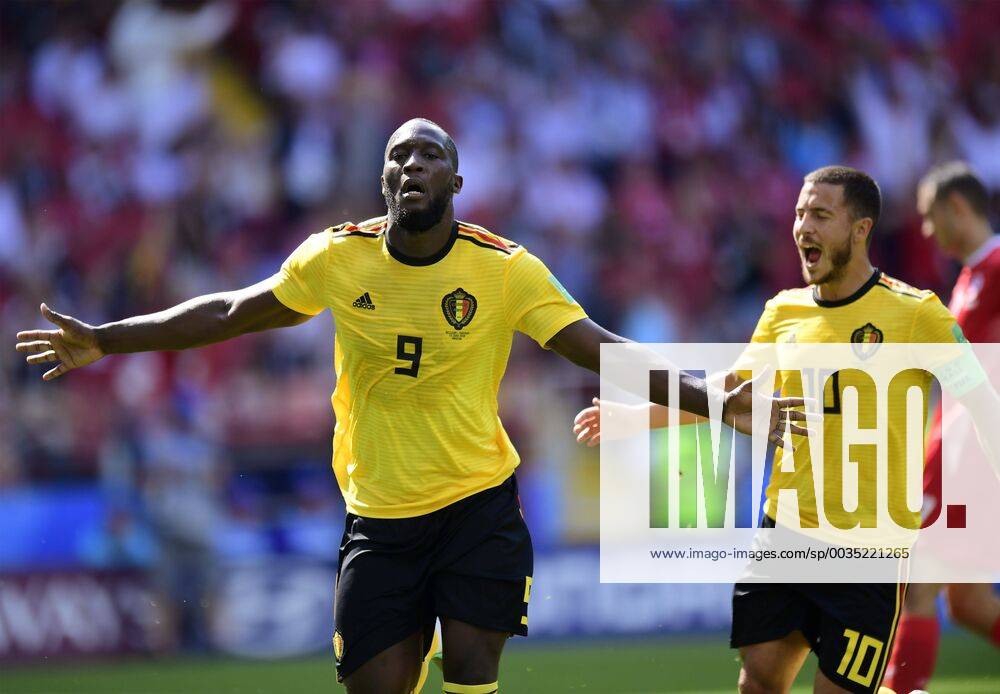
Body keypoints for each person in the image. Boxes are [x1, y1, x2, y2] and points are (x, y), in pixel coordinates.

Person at [15, 118, 801, 694]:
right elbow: (231, 311)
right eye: (398, 156)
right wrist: (107, 340)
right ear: (383, 180)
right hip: (379, 518)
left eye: (430, 155)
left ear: (457, 182)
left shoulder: (506, 271)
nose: (412, 164)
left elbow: (598, 347)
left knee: (470, 670)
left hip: (477, 507)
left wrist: (711, 401)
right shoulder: (337, 257)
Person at [575, 166, 971, 694]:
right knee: (757, 684)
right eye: (800, 213)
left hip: (868, 553)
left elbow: (983, 404)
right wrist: (634, 419)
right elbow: (727, 393)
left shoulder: (917, 315)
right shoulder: (782, 312)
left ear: (860, 229)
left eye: (821, 215)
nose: (803, 226)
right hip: (784, 533)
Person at [882, 162, 1000, 694]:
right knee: (970, 605)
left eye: (930, 217)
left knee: (915, 576)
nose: (926, 231)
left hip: (968, 455)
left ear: (958, 207)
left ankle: (903, 689)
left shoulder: (996, 267)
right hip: (957, 452)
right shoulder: (974, 276)